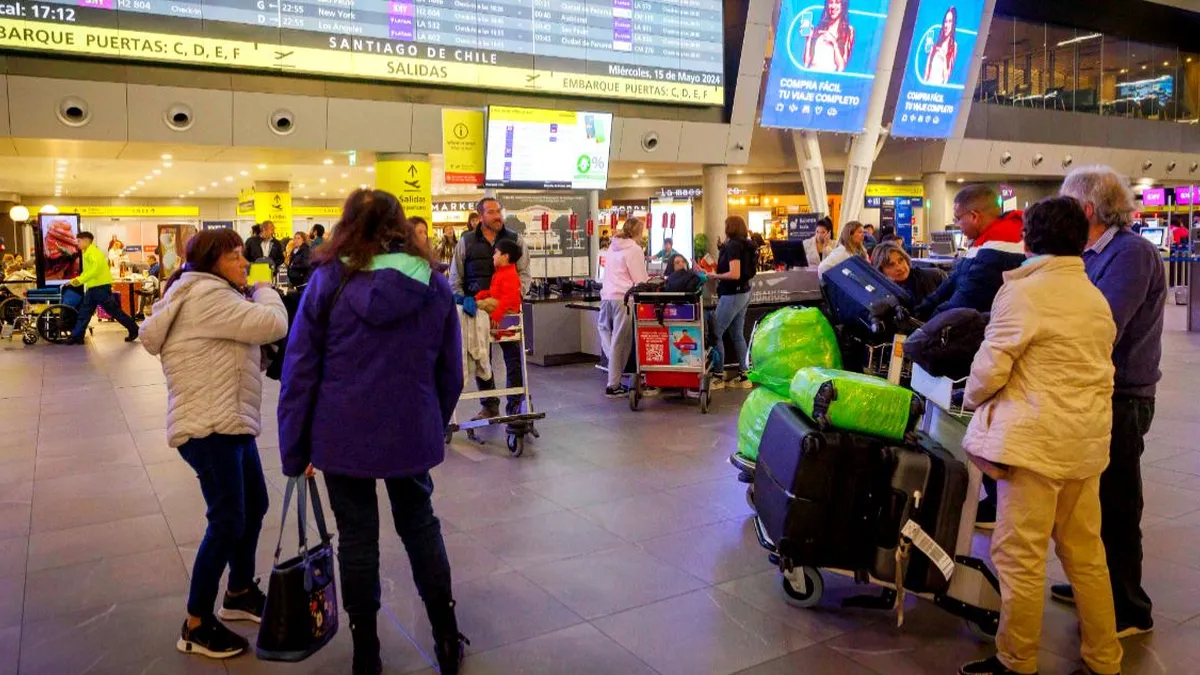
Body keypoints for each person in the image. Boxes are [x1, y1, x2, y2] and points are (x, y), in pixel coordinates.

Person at [278, 189, 466, 675]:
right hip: (409, 429)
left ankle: (367, 652)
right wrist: (430, 420)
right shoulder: (434, 285)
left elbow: (300, 371)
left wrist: (294, 448)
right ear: (400, 226)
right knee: (420, 525)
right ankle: (446, 636)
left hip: (341, 434)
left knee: (357, 539)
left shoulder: (326, 283)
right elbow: (451, 372)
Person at [958, 196, 1122, 675]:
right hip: (1083, 445)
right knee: (1087, 556)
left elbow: (990, 370)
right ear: (1080, 238)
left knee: (1021, 558)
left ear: (1029, 239)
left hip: (1033, 448)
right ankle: (1105, 659)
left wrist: (970, 398)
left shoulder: (1025, 292)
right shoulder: (1094, 297)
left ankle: (1017, 661)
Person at [138, 228, 289, 660]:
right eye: (236, 257)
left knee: (254, 505)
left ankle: (239, 591)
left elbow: (237, 348)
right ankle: (196, 622)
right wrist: (265, 290)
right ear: (211, 262)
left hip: (228, 421)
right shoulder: (206, 294)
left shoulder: (213, 295)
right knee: (227, 520)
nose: (244, 263)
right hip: (209, 427)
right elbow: (272, 323)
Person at [1053, 165, 1167, 639]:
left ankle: (1128, 608)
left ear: (1084, 209)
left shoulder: (1130, 254)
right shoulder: (1092, 253)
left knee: (1118, 502)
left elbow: (1103, 324)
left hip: (1122, 396)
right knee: (1090, 502)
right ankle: (1093, 585)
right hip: (1096, 391)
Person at [449, 197, 530, 418]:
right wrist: (463, 301)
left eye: (499, 211)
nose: (498, 216)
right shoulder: (466, 241)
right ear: (480, 216)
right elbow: (456, 276)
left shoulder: (515, 240)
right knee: (480, 356)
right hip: (477, 311)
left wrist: (513, 298)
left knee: (513, 356)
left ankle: (515, 403)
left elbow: (524, 274)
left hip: (507, 311)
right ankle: (489, 404)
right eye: (492, 212)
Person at [916, 184, 1025, 321]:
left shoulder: (1001, 245)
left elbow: (967, 298)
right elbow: (953, 280)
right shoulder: (986, 237)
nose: (956, 225)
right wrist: (921, 308)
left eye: (958, 218)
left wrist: (922, 328)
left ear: (974, 216)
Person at [596, 217, 650, 398]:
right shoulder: (634, 249)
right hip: (623, 298)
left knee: (607, 335)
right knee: (621, 341)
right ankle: (613, 385)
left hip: (606, 296)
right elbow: (640, 279)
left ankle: (613, 372)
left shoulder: (613, 246)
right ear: (637, 232)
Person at [65, 231, 140, 344]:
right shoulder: (89, 252)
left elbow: (95, 270)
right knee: (85, 312)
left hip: (99, 288)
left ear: (86, 241)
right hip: (94, 287)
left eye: (79, 241)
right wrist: (75, 281)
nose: (77, 244)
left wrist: (77, 281)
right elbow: (88, 272)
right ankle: (77, 336)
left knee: (113, 311)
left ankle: (134, 329)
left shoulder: (93, 252)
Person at [709, 215, 757, 389]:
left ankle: (718, 375)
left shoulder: (733, 246)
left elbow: (734, 273)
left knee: (716, 333)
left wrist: (715, 275)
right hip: (744, 293)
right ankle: (744, 376)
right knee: (737, 334)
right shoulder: (745, 244)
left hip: (731, 294)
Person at [872, 241, 947, 307]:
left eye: (901, 260)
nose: (900, 268)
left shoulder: (935, 276)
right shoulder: (880, 294)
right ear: (881, 270)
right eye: (891, 265)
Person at [474, 238, 523, 326]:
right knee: (485, 301)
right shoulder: (500, 273)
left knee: (483, 303)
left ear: (505, 256)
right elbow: (496, 293)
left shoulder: (510, 275)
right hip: (502, 312)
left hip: (507, 316)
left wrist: (496, 315)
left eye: (496, 252)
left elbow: (508, 300)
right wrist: (481, 295)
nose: (493, 256)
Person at [804, 0, 854, 73]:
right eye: (830, 2)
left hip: (829, 80)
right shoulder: (819, 29)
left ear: (843, 5)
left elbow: (842, 66)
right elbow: (806, 63)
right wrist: (808, 40)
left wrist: (834, 43)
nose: (833, 7)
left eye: (837, 2)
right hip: (811, 77)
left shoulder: (848, 30)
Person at [924, 6, 958, 85]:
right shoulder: (937, 43)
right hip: (927, 87)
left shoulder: (953, 46)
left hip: (938, 89)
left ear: (953, 24)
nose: (946, 25)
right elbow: (927, 71)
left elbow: (947, 77)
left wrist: (944, 58)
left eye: (950, 21)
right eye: (945, 21)